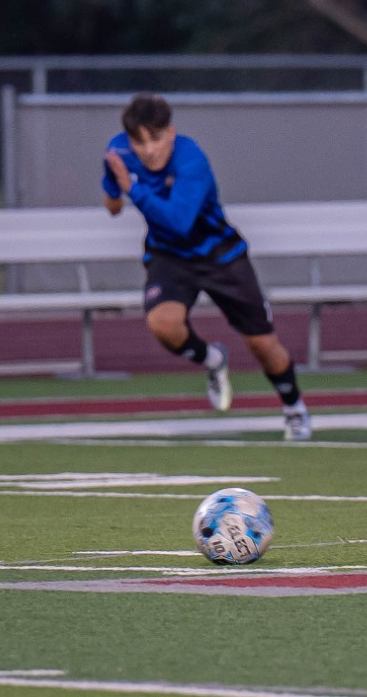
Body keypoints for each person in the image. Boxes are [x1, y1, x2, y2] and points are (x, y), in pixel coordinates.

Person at [102, 93, 312, 439]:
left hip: (219, 255)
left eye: (155, 139)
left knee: (262, 344)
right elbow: (112, 201)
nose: (148, 150)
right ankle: (213, 359)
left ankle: (294, 408)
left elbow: (179, 221)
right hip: (169, 256)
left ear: (170, 132)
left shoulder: (191, 160)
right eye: (139, 141)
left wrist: (132, 189)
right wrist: (113, 192)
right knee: (163, 325)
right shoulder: (118, 152)